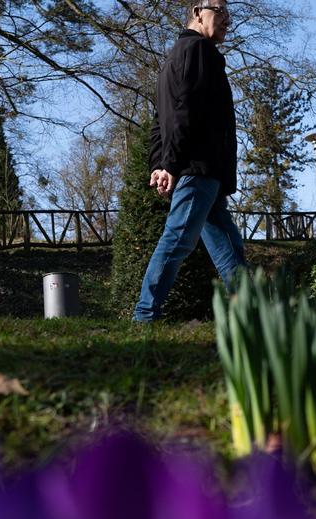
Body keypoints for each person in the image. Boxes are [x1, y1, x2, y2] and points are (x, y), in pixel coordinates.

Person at [133, 0, 246, 322]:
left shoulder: (173, 59)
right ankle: (144, 316)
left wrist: (159, 163)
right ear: (198, 12)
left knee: (227, 244)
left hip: (201, 169)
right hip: (198, 166)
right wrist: (169, 164)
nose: (227, 20)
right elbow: (183, 113)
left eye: (229, 14)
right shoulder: (198, 51)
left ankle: (253, 313)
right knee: (177, 239)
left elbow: (160, 121)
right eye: (220, 11)